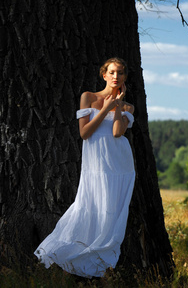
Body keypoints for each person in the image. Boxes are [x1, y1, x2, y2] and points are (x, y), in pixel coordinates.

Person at [34, 58, 136, 278]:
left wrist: (117, 106)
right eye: (111, 72)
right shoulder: (88, 97)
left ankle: (100, 268)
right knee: (86, 210)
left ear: (125, 77)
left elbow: (117, 133)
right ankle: (69, 265)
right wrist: (105, 108)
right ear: (104, 74)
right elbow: (84, 133)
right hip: (95, 168)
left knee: (111, 215)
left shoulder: (128, 107)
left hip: (119, 167)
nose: (115, 76)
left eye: (120, 73)